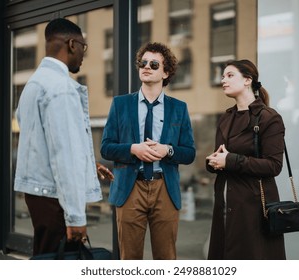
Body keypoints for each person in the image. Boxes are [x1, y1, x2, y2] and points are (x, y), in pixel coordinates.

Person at [14, 18, 113, 256]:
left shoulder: (33, 85)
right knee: (59, 261)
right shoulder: (61, 88)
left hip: (39, 195)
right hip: (55, 198)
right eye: (83, 47)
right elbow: (64, 155)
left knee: (46, 258)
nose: (83, 55)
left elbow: (42, 142)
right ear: (71, 44)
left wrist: (88, 165)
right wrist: (76, 216)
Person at [101, 42, 196, 260]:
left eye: (154, 64)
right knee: (130, 259)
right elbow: (106, 147)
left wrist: (167, 150)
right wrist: (133, 149)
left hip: (165, 188)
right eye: (143, 63)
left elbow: (189, 153)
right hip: (129, 188)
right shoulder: (120, 104)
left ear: (166, 72)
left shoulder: (178, 108)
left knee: (166, 259)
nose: (146, 67)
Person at [205, 59, 286, 259]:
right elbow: (222, 156)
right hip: (224, 203)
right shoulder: (226, 117)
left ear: (248, 80)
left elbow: (274, 166)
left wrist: (230, 160)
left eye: (230, 75)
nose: (223, 80)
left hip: (253, 209)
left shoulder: (269, 118)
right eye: (223, 76)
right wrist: (214, 162)